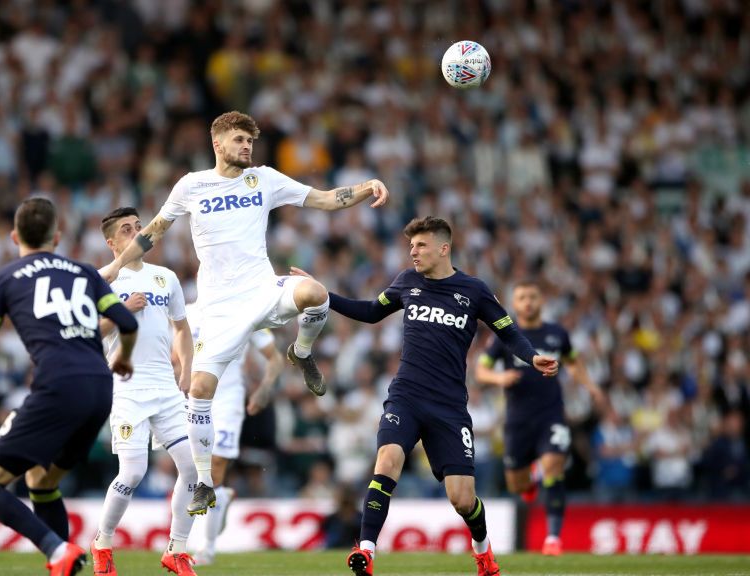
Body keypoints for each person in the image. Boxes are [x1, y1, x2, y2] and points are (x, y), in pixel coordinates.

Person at [100, 110, 390, 515]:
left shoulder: (265, 179)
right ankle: (203, 482)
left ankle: (302, 353)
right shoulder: (191, 185)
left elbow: (323, 199)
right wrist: (114, 267)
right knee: (199, 392)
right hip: (219, 306)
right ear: (217, 144)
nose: (247, 147)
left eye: (249, 141)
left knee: (316, 293)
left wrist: (365, 186)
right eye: (239, 140)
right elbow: (153, 232)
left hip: (261, 288)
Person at [294, 216, 559, 576]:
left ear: (443, 248)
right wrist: (324, 295)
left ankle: (483, 552)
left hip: (449, 407)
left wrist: (531, 356)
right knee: (387, 460)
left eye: (420, 245)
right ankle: (366, 551)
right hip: (406, 395)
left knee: (462, 499)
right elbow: (372, 312)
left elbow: (508, 332)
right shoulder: (407, 282)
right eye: (411, 246)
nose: (413, 252)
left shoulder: (474, 290)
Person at [0, 198, 138, 576]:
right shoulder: (84, 272)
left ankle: (55, 549)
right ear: (57, 236)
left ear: (14, 236)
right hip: (100, 390)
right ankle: (62, 563)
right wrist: (124, 358)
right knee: (41, 481)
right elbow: (126, 323)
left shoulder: (5, 278)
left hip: (57, 387)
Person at [91, 207, 199, 576]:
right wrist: (121, 311)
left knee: (193, 468)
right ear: (112, 242)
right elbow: (90, 334)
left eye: (140, 227)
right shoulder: (103, 282)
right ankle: (103, 542)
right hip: (127, 385)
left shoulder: (165, 278)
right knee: (133, 473)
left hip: (165, 387)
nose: (138, 233)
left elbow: (182, 329)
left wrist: (185, 369)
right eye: (127, 229)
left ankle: (177, 549)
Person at [474, 280, 604, 556]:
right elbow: (480, 371)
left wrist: (590, 386)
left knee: (555, 464)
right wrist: (500, 377)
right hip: (517, 420)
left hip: (551, 414)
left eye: (532, 296)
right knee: (516, 484)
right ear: (515, 303)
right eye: (522, 298)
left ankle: (553, 538)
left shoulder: (557, 333)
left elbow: (573, 361)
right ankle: (531, 478)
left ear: (541, 301)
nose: (528, 302)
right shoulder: (504, 335)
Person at [187, 304, 284, 565]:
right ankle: (221, 499)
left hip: (227, 401)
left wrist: (264, 388)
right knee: (192, 470)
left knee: (215, 465)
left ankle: (206, 549)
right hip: (192, 398)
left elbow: (274, 357)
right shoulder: (187, 312)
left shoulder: (246, 311)